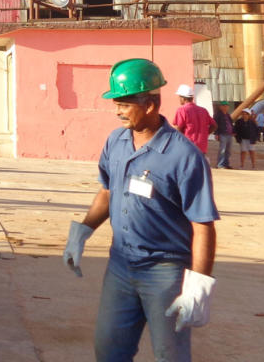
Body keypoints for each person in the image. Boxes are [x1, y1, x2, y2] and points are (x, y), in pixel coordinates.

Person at [63, 58, 219, 362]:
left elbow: (202, 224)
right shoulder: (116, 141)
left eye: (124, 104)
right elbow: (107, 192)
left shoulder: (184, 156)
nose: (117, 111)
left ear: (149, 105)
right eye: (116, 104)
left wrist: (198, 284)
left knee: (169, 355)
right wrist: (81, 232)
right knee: (108, 350)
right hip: (120, 267)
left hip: (165, 272)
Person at [172, 84, 215, 154]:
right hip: (202, 147)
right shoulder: (203, 110)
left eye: (179, 97)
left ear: (183, 98)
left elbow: (178, 129)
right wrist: (204, 134)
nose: (179, 99)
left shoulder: (182, 110)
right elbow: (214, 126)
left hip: (188, 147)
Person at [211, 102, 234, 169]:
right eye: (224, 106)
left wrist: (233, 131)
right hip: (222, 134)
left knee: (228, 150)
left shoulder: (228, 115)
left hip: (229, 134)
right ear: (221, 107)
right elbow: (215, 124)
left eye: (226, 106)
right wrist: (216, 133)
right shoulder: (217, 115)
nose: (225, 107)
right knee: (222, 150)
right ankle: (220, 164)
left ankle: (226, 164)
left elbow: (231, 123)